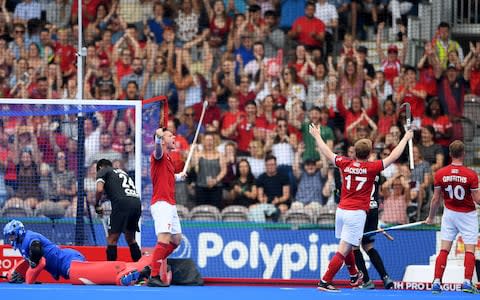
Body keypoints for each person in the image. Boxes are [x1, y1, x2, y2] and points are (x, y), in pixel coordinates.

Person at [309, 123, 412, 292]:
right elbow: (393, 156)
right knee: (343, 250)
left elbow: (327, 153)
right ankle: (325, 281)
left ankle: (354, 276)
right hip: (356, 213)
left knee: (347, 244)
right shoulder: (372, 168)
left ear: (355, 152)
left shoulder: (345, 163)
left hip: (341, 210)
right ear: (370, 153)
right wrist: (406, 138)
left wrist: (317, 136)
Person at [3, 219, 148, 286]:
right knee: (90, 276)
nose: (10, 239)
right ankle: (139, 269)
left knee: (84, 277)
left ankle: (132, 269)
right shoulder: (23, 242)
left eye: (11, 235)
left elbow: (39, 260)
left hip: (68, 261)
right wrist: (14, 273)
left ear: (18, 232)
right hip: (66, 261)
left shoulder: (30, 239)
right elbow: (29, 262)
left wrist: (28, 280)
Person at [425, 140, 480, 294]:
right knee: (470, 249)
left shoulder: (440, 173)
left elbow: (436, 199)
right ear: (463, 154)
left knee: (444, 249)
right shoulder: (471, 174)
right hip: (468, 215)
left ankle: (436, 281)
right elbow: (477, 200)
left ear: (450, 154)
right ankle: (467, 282)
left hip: (449, 214)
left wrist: (430, 218)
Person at [148, 126, 186, 287]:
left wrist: (179, 176)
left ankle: (153, 265)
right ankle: (154, 275)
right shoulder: (159, 154)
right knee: (163, 238)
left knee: (176, 239)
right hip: (162, 203)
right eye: (170, 136)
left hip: (170, 204)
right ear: (163, 141)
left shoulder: (169, 159)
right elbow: (157, 151)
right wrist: (157, 138)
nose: (174, 137)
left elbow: (167, 177)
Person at [95, 158, 142, 263]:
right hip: (136, 203)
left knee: (112, 239)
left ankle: (110, 270)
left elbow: (99, 189)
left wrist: (97, 204)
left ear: (100, 167)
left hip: (122, 204)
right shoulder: (122, 173)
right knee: (130, 238)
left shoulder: (103, 170)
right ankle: (142, 270)